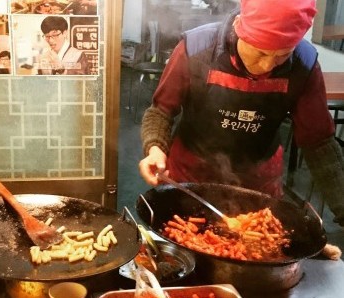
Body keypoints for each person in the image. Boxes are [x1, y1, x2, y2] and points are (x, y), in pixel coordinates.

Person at [139, 0, 344, 226]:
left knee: (260, 245)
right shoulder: (197, 48)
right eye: (260, 52)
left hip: (257, 185)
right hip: (190, 178)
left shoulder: (304, 64)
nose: (267, 66)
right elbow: (161, 110)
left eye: (282, 56)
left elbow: (319, 143)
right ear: (239, 27)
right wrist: (155, 148)